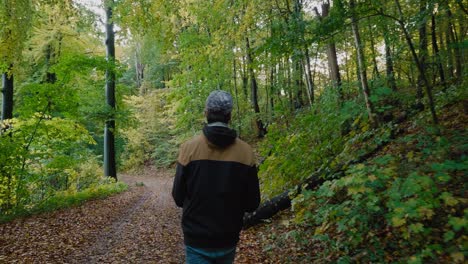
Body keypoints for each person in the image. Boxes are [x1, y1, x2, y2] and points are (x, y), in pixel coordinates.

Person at [172, 90, 261, 264]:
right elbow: (252, 203)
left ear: (206, 113)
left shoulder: (189, 149)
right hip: (228, 237)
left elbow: (178, 197)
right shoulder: (246, 152)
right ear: (230, 116)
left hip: (195, 238)